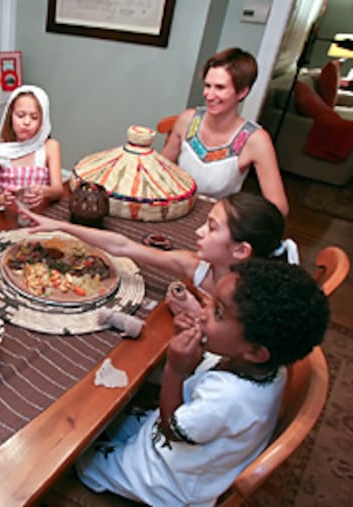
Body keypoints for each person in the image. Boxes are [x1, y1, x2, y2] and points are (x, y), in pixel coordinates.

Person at [74, 259, 329, 506]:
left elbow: (172, 429)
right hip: (191, 441)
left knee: (81, 454)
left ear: (254, 352)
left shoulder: (229, 399)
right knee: (105, 416)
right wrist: (191, 354)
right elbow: (206, 381)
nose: (203, 313)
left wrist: (176, 369)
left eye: (217, 312)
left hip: (168, 481)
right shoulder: (264, 366)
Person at [20, 192, 298, 300]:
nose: (198, 231)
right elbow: (121, 245)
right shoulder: (197, 267)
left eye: (212, 228)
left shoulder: (247, 304)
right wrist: (60, 227)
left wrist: (198, 314)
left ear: (240, 250)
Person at [161, 47, 289, 216]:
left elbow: (279, 208)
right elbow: (159, 170)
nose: (209, 95)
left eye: (220, 88)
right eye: (207, 86)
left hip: (217, 224)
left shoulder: (255, 140)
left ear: (242, 92)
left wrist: (240, 218)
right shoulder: (187, 120)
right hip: (176, 212)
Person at [0, 84, 64, 219]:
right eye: (20, 115)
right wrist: (3, 199)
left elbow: (58, 190)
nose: (26, 122)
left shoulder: (50, 147)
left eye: (34, 117)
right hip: (9, 218)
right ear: (10, 117)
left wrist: (45, 191)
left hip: (41, 216)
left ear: (43, 122)